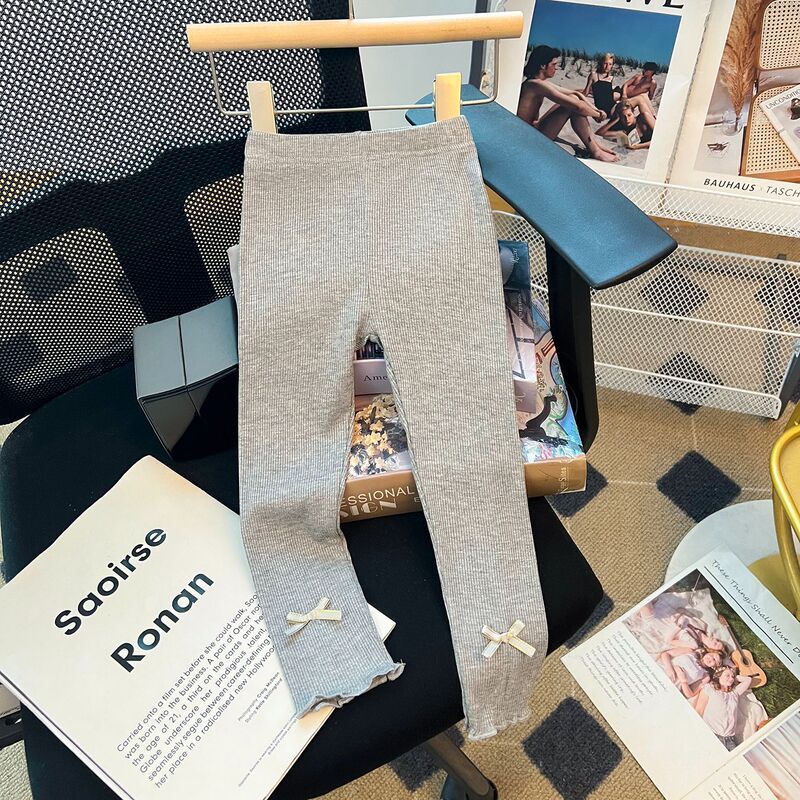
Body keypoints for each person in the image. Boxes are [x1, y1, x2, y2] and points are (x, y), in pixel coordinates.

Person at [516, 44, 619, 163]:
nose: (556, 68)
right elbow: (578, 107)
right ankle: (596, 151)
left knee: (572, 98)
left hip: (533, 128)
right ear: (543, 66)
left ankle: (596, 145)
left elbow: (576, 94)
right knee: (571, 107)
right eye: (553, 64)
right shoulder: (536, 85)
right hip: (529, 138)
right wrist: (598, 115)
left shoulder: (536, 82)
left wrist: (596, 109)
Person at [695, 666, 753, 751]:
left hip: (730, 740)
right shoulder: (710, 689)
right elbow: (699, 710)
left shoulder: (734, 693)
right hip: (712, 734)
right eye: (727, 675)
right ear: (718, 676)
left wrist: (735, 676)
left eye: (732, 676)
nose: (731, 678)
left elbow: (748, 680)